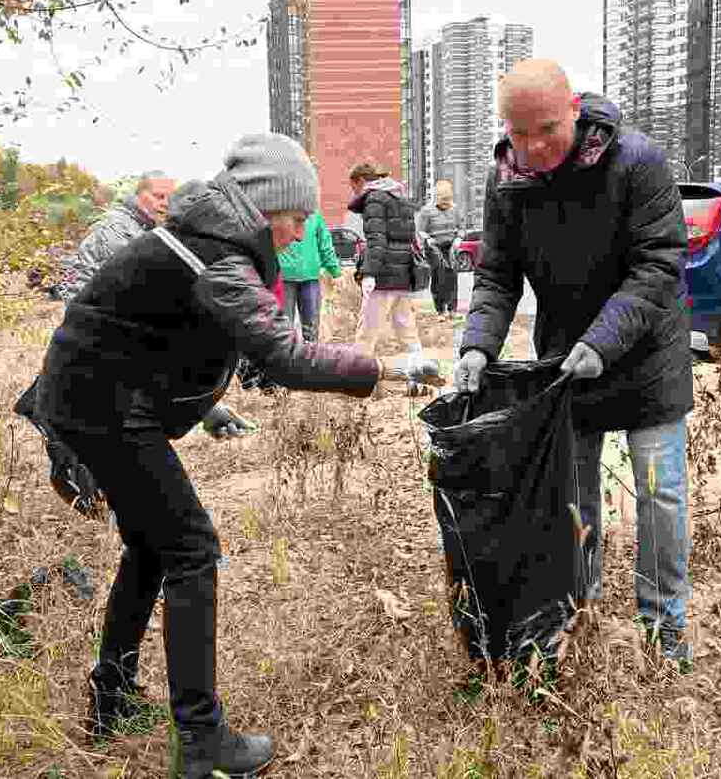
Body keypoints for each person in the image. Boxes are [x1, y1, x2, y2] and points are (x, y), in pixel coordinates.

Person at [32, 133, 439, 776]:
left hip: (88, 398)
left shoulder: (209, 240)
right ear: (265, 205)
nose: (300, 232)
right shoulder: (217, 256)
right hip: (104, 408)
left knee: (151, 547)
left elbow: (208, 342)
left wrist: (214, 401)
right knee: (192, 549)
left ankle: (111, 700)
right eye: (296, 217)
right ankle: (201, 743)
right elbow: (287, 356)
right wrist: (392, 370)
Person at [453, 59, 694, 664]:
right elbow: (497, 275)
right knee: (574, 500)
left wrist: (604, 341)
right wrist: (478, 345)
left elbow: (659, 264)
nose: (533, 148)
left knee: (660, 498)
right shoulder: (506, 182)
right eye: (519, 133)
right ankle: (579, 620)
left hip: (647, 358)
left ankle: (664, 632)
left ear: (575, 111)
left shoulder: (636, 162)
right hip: (567, 366)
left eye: (547, 130)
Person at [55, 170, 176, 302]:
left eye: (169, 199)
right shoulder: (117, 228)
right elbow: (128, 284)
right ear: (138, 195)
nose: (166, 204)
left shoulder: (145, 227)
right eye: (158, 196)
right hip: (89, 308)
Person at [347, 163, 424, 370]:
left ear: (360, 181)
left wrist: (369, 273)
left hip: (383, 274)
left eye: (353, 187)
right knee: (405, 325)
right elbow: (410, 237)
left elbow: (376, 240)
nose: (354, 192)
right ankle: (418, 370)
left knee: (368, 329)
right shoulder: (399, 197)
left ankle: (359, 375)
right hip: (403, 272)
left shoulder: (374, 199)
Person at [277, 210, 341, 342]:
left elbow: (325, 244)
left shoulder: (312, 215)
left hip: (295, 275)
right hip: (294, 276)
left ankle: (301, 350)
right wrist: (335, 271)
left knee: (286, 325)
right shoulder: (313, 215)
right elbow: (325, 245)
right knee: (308, 325)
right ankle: (305, 349)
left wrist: (334, 270)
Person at [417, 179, 465, 318]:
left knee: (452, 275)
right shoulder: (427, 211)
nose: (445, 203)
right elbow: (421, 230)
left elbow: (462, 228)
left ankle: (452, 309)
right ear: (436, 197)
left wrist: (459, 238)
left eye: (448, 200)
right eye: (443, 200)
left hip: (451, 245)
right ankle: (440, 309)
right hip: (434, 246)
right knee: (439, 274)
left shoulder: (455, 209)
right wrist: (428, 239)